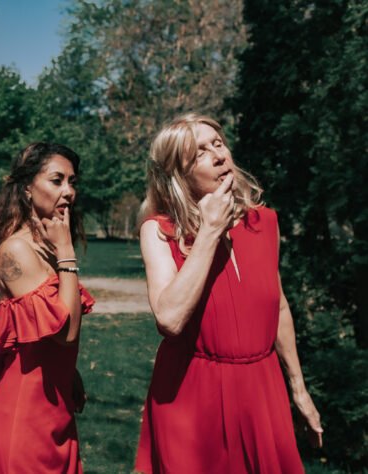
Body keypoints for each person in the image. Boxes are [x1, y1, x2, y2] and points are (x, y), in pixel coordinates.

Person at [134, 113, 323, 473]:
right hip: (191, 394)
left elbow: (278, 307)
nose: (219, 155)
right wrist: (208, 231)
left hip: (261, 388)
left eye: (218, 143)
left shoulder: (264, 222)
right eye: (200, 153)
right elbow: (170, 320)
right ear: (179, 174)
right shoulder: (159, 232)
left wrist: (299, 389)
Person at [0, 142, 95, 473]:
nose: (69, 192)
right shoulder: (16, 251)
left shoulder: (45, 247)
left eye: (73, 182)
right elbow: (66, 331)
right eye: (57, 180)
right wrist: (66, 252)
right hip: (25, 418)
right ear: (28, 188)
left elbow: (39, 335)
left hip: (56, 408)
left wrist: (66, 371)